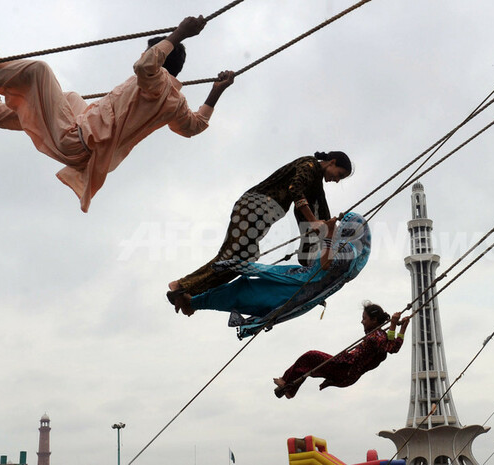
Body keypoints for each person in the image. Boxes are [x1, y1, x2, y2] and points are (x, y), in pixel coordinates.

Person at [0, 15, 235, 212]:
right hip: (83, 137)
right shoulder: (176, 102)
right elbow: (194, 126)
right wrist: (216, 91)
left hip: (76, 140)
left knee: (38, 71)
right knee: (71, 98)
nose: (144, 56)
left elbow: (145, 66)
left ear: (160, 59)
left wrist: (179, 34)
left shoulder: (157, 80)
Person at [166, 151, 353, 305]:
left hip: (256, 213)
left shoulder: (314, 182)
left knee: (240, 262)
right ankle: (181, 286)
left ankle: (188, 292)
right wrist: (313, 222)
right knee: (233, 259)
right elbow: (295, 189)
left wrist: (315, 269)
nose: (337, 180)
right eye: (340, 174)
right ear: (332, 162)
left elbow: (316, 208)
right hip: (252, 208)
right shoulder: (309, 165)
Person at [172, 212, 371, 339]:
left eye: (344, 225)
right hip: (295, 284)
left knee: (243, 292)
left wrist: (328, 234)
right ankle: (194, 302)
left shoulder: (350, 250)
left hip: (293, 290)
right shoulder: (351, 251)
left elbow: (326, 264)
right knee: (243, 289)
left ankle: (193, 303)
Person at [273, 302, 410, 399]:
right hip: (347, 371)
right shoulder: (379, 334)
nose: (362, 322)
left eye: (364, 318)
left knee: (310, 356)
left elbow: (391, 347)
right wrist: (402, 328)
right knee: (309, 364)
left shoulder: (376, 337)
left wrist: (393, 324)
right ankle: (289, 388)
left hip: (345, 368)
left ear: (374, 320)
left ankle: (287, 383)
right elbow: (394, 346)